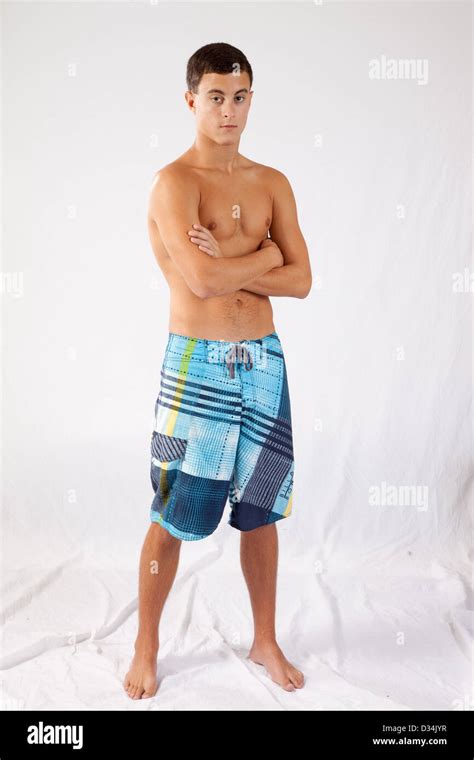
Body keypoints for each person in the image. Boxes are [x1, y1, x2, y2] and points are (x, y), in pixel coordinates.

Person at [124, 42, 312, 699]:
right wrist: (263, 260)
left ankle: (264, 637)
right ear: (191, 101)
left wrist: (255, 265)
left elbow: (305, 279)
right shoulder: (175, 183)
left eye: (239, 97)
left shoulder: (271, 183)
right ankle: (146, 644)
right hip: (195, 368)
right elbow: (202, 282)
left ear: (250, 100)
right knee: (176, 511)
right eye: (215, 97)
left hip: (263, 363)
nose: (228, 110)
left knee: (261, 509)